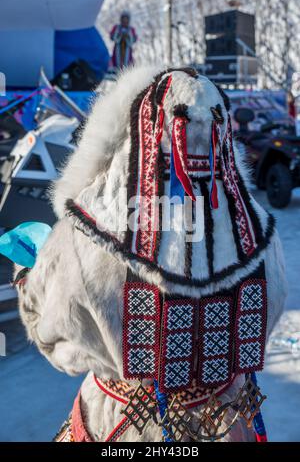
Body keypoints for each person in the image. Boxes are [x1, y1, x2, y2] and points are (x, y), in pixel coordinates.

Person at [15, 66, 287, 442]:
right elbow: (267, 319)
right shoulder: (261, 235)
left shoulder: (85, 234)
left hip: (125, 426)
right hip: (226, 421)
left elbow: (56, 337)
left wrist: (24, 277)